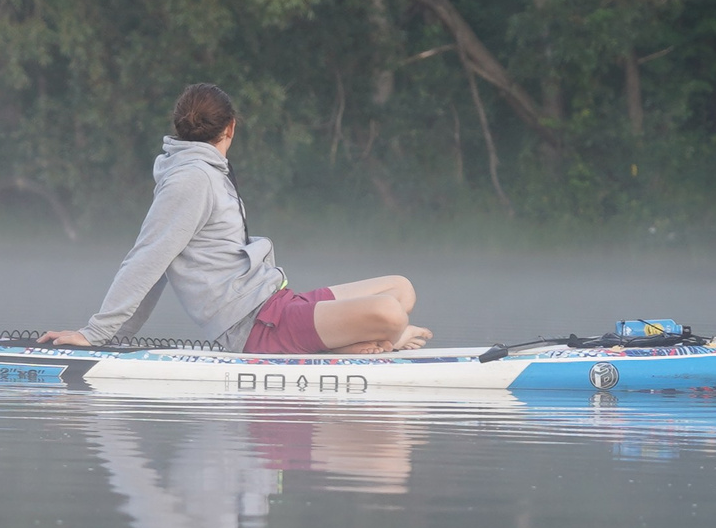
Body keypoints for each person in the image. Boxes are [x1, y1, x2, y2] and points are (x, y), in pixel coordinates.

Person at [39, 84, 430, 354]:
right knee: (391, 315)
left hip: (276, 304)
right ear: (230, 128)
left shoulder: (205, 173)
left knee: (401, 289)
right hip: (255, 327)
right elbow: (147, 261)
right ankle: (383, 340)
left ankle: (360, 342)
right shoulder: (191, 181)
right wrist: (99, 335)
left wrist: (111, 335)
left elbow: (155, 266)